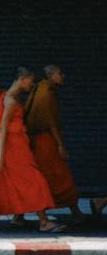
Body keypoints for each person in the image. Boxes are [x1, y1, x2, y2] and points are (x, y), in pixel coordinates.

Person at [0, 67, 64, 233]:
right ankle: (44, 222)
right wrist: (1, 156)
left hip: (10, 144)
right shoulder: (11, 100)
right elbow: (4, 127)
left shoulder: (5, 96)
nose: (31, 84)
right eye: (30, 81)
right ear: (22, 79)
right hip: (12, 146)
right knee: (34, 179)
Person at [25, 65, 87, 226]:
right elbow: (50, 123)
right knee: (59, 175)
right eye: (60, 73)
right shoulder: (46, 94)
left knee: (45, 175)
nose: (63, 76)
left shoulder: (42, 89)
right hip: (46, 141)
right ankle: (75, 213)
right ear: (50, 76)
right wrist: (60, 145)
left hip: (39, 140)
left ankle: (18, 217)